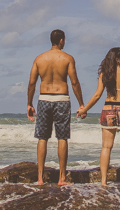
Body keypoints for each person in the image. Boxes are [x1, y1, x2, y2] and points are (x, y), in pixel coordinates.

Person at [27, 29, 85, 186]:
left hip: (44, 99)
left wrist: (29, 103)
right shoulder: (67, 58)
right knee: (62, 137)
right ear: (61, 41)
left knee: (42, 137)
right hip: (62, 99)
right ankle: (62, 178)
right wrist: (81, 104)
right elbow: (74, 82)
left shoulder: (39, 59)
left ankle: (40, 178)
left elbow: (32, 83)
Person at [78, 46, 120, 190]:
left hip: (109, 109)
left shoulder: (104, 75)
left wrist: (84, 110)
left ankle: (104, 181)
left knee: (106, 147)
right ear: (117, 59)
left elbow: (97, 95)